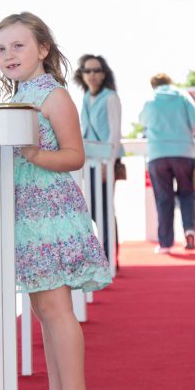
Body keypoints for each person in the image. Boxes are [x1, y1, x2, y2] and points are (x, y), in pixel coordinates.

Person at [0, 12, 111, 390]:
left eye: (18, 45)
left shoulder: (53, 95)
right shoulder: (19, 96)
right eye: (1, 49)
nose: (8, 55)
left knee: (57, 310)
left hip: (51, 214)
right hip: (27, 215)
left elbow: (75, 155)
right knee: (42, 309)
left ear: (42, 49)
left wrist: (35, 155)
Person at [139, 73, 195, 253]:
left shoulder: (150, 99)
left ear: (153, 85)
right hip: (184, 153)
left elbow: (143, 121)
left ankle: (165, 243)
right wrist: (192, 136)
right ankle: (189, 232)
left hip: (158, 154)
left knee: (163, 198)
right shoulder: (183, 96)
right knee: (187, 194)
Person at [74, 54, 122, 267]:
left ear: (104, 74)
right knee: (93, 208)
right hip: (90, 161)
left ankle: (111, 256)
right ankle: (105, 253)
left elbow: (114, 133)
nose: (92, 75)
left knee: (104, 208)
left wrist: (108, 164)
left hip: (106, 162)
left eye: (96, 71)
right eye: (87, 71)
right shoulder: (85, 98)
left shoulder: (110, 97)